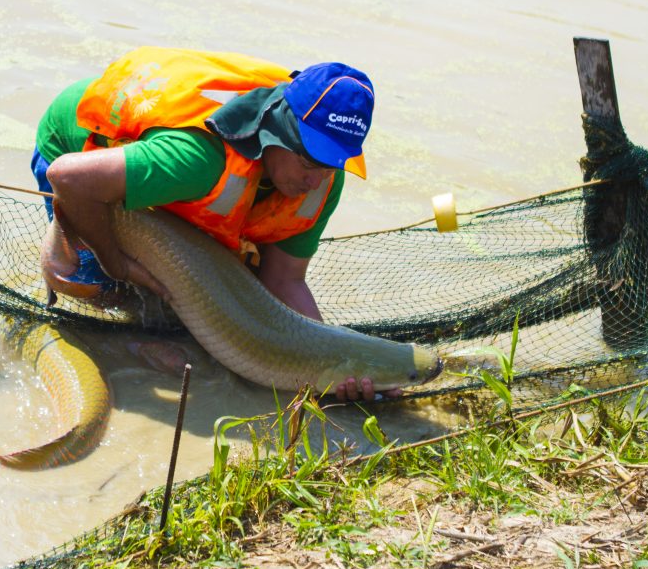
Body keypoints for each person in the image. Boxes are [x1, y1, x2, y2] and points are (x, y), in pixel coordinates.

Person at [33, 46, 391, 401]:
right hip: (79, 149)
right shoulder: (198, 158)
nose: (316, 180)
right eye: (309, 162)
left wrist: (339, 363)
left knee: (223, 305)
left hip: (171, 178)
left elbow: (285, 280)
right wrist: (117, 264)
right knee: (96, 286)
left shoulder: (322, 179)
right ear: (279, 131)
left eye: (331, 165)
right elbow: (68, 178)